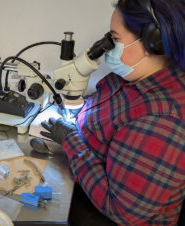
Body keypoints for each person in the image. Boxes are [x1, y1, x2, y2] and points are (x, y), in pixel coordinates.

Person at [41, 0, 185, 225]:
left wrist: (69, 139)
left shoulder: (161, 122)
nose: (108, 46)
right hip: (83, 179)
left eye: (115, 39)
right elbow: (107, 111)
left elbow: (120, 210)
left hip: (105, 214)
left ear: (152, 41)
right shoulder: (135, 75)